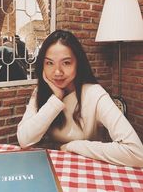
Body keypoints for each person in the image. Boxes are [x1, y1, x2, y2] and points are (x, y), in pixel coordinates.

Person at [17, 29, 143, 167]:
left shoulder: (94, 94)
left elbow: (136, 153)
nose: (57, 72)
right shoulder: (41, 92)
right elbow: (24, 140)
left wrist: (74, 146)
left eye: (66, 63)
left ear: (78, 63)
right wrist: (56, 99)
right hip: (57, 167)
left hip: (88, 168)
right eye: (49, 63)